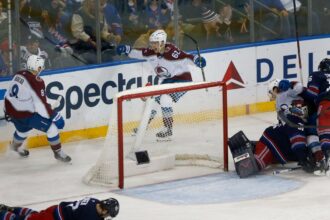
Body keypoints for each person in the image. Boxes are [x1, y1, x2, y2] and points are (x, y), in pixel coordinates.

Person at [116, 29, 206, 139]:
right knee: (153, 100)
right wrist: (126, 49)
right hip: (167, 82)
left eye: (155, 43)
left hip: (182, 80)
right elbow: (138, 53)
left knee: (165, 98)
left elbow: (187, 56)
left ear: (162, 43)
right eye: (152, 43)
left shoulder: (172, 51)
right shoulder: (151, 53)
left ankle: (168, 129)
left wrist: (197, 60)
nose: (152, 45)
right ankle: (143, 126)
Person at [3, 55, 71, 162]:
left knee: (22, 131)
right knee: (52, 129)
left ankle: (15, 147)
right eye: (41, 67)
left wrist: (6, 110)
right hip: (26, 115)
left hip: (11, 111)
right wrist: (55, 116)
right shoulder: (37, 81)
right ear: (38, 68)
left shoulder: (19, 74)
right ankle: (58, 153)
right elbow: (41, 106)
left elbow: (12, 95)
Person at [0, 197, 119, 220]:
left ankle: (8, 209)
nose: (108, 217)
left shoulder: (95, 201)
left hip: (55, 209)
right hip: (54, 218)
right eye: (109, 214)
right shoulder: (90, 216)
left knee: (34, 214)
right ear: (104, 210)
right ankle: (2, 214)